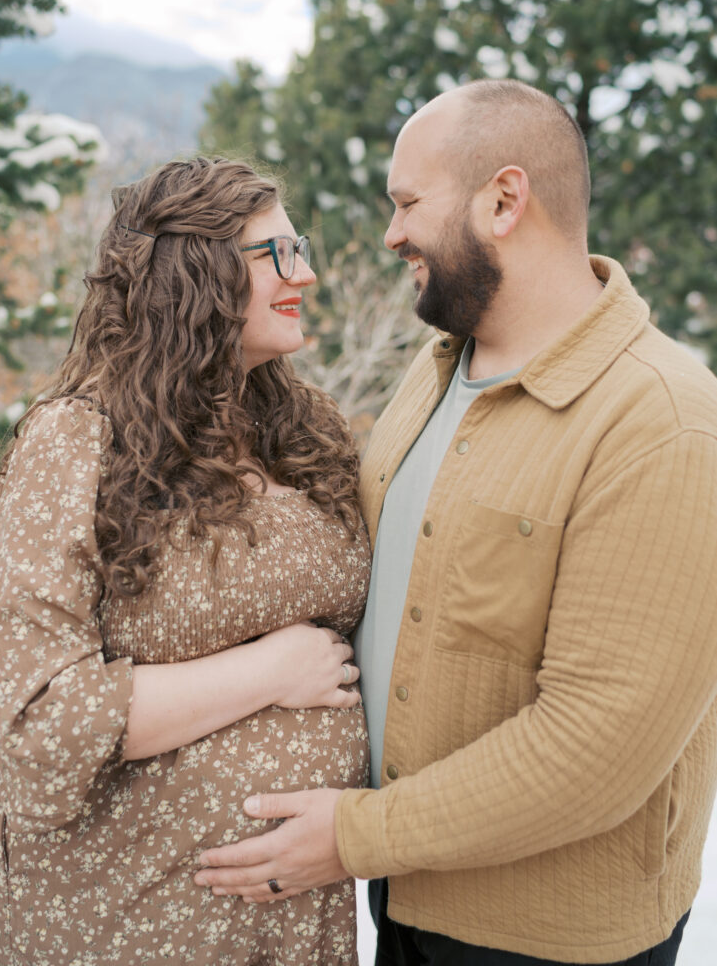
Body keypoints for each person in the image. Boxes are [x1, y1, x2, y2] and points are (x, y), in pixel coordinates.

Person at [195, 81, 717, 966]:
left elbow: (597, 749)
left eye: (407, 203)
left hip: (545, 939)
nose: (390, 234)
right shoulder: (438, 368)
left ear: (503, 200)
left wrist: (356, 835)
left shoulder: (661, 421)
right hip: (406, 897)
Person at [0, 155, 371, 966]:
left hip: (292, 913)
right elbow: (41, 720)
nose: (306, 273)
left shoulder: (302, 428)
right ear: (195, 275)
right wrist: (272, 670)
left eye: (300, 249)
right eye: (277, 254)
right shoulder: (75, 440)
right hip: (132, 914)